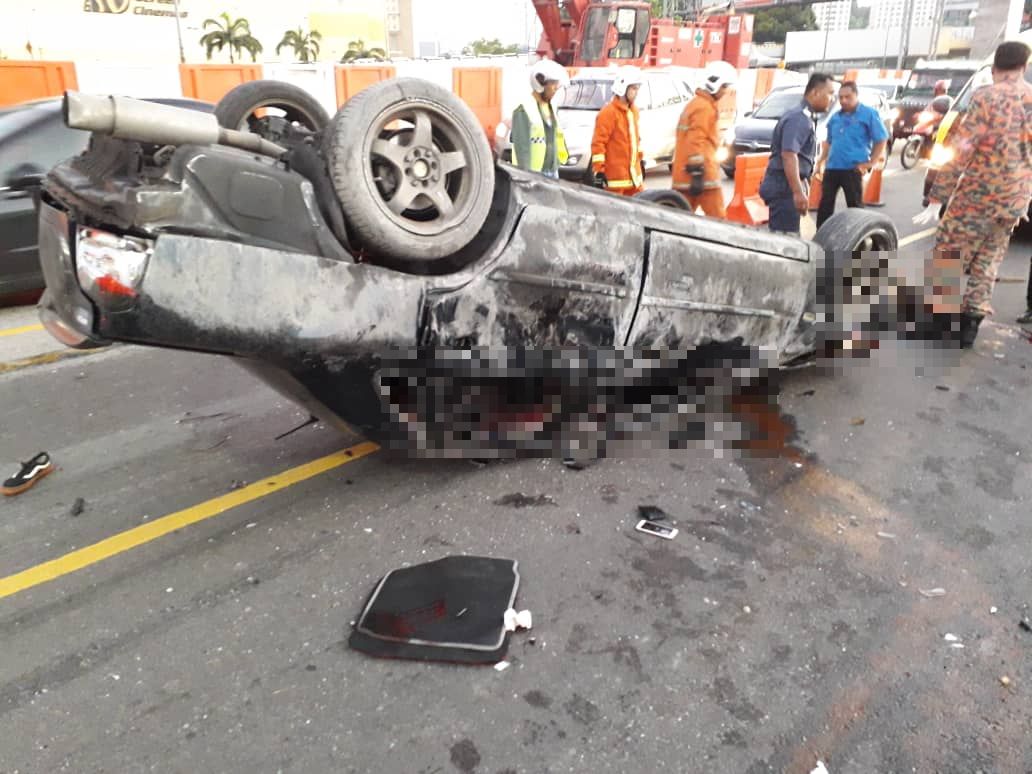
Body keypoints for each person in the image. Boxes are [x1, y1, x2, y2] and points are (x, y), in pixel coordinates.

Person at [913, 40, 1032, 348]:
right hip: (1015, 200)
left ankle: (938, 325)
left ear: (995, 69)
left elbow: (963, 147)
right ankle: (969, 327)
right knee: (988, 261)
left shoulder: (986, 97)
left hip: (978, 195)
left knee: (948, 256)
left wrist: (938, 195)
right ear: (1024, 66)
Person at [758, 73, 837, 234]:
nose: (832, 98)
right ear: (815, 93)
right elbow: (788, 155)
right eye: (830, 93)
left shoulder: (804, 116)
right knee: (785, 242)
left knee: (788, 237)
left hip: (786, 184)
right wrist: (798, 193)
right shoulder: (799, 118)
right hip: (784, 187)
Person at [813, 80, 889, 229]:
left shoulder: (868, 114)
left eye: (847, 97)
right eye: (840, 97)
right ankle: (821, 235)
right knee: (825, 205)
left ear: (856, 95)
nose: (843, 101)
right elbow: (829, 142)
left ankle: (860, 241)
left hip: (853, 168)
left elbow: (881, 139)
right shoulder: (835, 117)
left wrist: (871, 162)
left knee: (855, 207)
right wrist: (821, 161)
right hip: (832, 167)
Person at [672, 61, 737, 218]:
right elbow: (696, 140)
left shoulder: (696, 105)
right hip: (703, 177)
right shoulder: (704, 108)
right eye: (724, 86)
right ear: (714, 84)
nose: (726, 91)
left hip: (685, 176)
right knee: (718, 221)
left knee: (680, 220)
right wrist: (697, 172)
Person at [590, 67, 646, 196]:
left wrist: (640, 160)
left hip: (634, 180)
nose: (636, 92)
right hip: (616, 181)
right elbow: (598, 144)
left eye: (637, 89)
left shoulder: (633, 111)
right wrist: (599, 171)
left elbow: (636, 140)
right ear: (622, 88)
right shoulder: (608, 113)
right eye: (633, 88)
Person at [510, 59, 570, 179]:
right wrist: (526, 177)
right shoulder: (523, 109)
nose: (556, 88)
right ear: (540, 83)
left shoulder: (550, 106)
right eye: (553, 84)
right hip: (535, 174)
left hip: (552, 171)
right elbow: (522, 149)